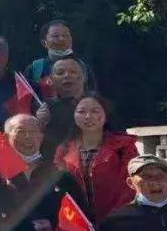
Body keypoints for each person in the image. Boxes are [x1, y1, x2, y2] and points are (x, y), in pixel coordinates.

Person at [53, 93, 138, 224]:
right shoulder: (63, 150)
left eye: (95, 111)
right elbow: (61, 190)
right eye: (81, 112)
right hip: (76, 223)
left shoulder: (124, 146)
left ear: (106, 115)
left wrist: (116, 218)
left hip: (117, 220)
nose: (88, 116)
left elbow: (130, 187)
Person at [3, 114, 88, 231]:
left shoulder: (59, 175)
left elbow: (81, 217)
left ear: (41, 137)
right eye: (21, 131)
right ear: (6, 137)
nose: (28, 136)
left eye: (33, 132)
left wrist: (53, 224)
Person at [24, 20, 95, 100]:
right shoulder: (34, 69)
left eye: (66, 36)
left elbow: (92, 97)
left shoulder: (83, 67)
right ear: (44, 43)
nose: (61, 39)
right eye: (55, 36)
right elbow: (26, 100)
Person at [34, 56, 87, 154]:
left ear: (83, 77)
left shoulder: (98, 105)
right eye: (60, 73)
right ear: (51, 80)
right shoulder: (42, 107)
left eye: (73, 72)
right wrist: (39, 124)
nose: (67, 76)